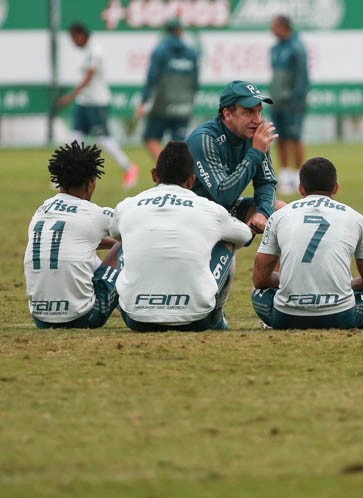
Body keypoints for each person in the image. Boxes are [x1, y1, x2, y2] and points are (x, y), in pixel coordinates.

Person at [110, 141, 252, 332]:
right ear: (192, 180)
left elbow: (114, 232)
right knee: (227, 240)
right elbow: (244, 236)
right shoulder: (210, 209)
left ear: (154, 175)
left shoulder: (127, 205)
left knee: (123, 241)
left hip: (136, 319)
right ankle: (217, 317)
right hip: (197, 319)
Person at [251, 158, 363, 329]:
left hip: (286, 317)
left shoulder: (279, 216)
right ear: (336, 187)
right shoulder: (356, 218)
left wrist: (290, 282)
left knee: (258, 293)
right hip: (340, 316)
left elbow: (260, 279)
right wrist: (346, 285)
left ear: (300, 188)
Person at [24, 141, 120, 329]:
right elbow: (139, 233)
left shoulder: (42, 209)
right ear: (90, 184)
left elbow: (78, 239)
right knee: (129, 242)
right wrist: (118, 244)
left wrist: (109, 244)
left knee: (83, 249)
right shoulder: (94, 213)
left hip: (41, 319)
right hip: (83, 318)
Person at [186, 80, 281, 235]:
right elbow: (223, 195)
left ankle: (263, 260)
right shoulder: (204, 139)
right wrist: (255, 153)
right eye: (249, 112)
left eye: (259, 111)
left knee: (280, 211)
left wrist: (263, 213)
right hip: (195, 214)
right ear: (228, 114)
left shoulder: (255, 136)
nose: (257, 120)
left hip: (225, 210)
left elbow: (266, 182)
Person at [57, 23, 138, 189]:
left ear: (81, 35)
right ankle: (66, 175)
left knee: (103, 138)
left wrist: (69, 97)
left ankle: (129, 168)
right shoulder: (86, 50)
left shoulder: (95, 51)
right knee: (73, 137)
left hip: (97, 102)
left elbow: (88, 77)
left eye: (74, 38)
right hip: (84, 101)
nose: (73, 42)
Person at [134, 18, 199, 160]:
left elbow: (152, 78)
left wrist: (143, 102)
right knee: (180, 144)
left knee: (150, 138)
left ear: (167, 31)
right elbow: (195, 82)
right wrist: (190, 100)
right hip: (184, 105)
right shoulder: (191, 53)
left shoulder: (160, 51)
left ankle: (167, 170)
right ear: (180, 31)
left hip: (163, 104)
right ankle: (179, 174)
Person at [270, 15, 310, 195]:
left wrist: (298, 99)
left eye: (274, 26)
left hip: (293, 102)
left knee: (295, 137)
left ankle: (298, 177)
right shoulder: (275, 48)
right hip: (277, 100)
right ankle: (285, 176)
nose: (271, 30)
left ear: (284, 27)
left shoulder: (296, 47)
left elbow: (302, 76)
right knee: (281, 137)